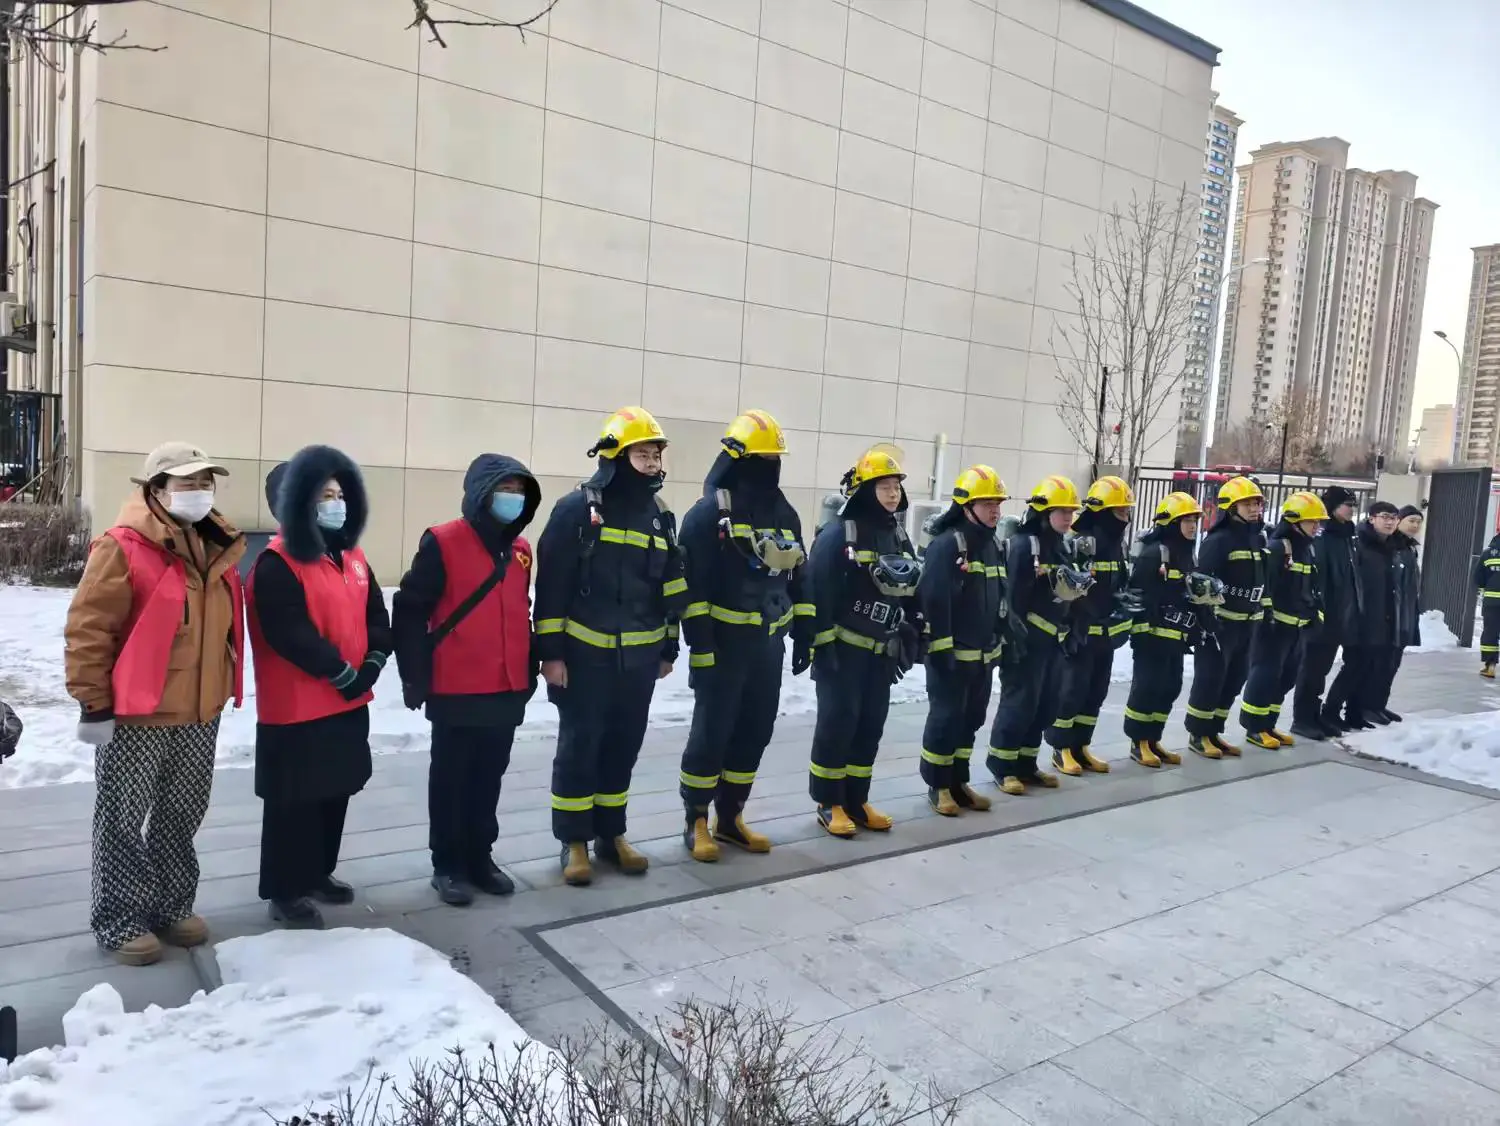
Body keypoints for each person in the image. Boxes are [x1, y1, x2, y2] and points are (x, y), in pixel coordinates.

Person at [62, 442, 245, 965]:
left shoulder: (217, 545)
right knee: (123, 818)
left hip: (199, 710)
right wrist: (93, 704)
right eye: (186, 483)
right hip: (137, 715)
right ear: (156, 490)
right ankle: (120, 919)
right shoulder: (123, 547)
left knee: (181, 813)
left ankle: (171, 906)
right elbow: (89, 628)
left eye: (205, 482)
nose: (198, 493)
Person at [536, 407, 686, 886]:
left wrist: (669, 647)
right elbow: (552, 588)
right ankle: (573, 840)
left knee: (623, 746)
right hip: (585, 659)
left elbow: (671, 588)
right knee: (581, 746)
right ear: (614, 456)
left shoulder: (662, 516)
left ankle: (611, 834)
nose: (652, 463)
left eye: (656, 454)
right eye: (642, 453)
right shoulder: (576, 510)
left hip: (638, 662)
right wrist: (551, 654)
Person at [248, 445, 392, 928]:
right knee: (294, 801)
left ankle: (317, 872)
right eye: (322, 494)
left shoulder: (350, 554)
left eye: (338, 492)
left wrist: (373, 660)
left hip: (349, 700)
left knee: (336, 790)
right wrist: (340, 672)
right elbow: (289, 633)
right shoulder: (276, 563)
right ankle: (285, 890)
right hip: (298, 708)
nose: (336, 502)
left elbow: (375, 610)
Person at [392, 454, 541, 906]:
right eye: (505, 489)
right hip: (456, 684)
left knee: (489, 776)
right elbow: (411, 608)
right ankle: (448, 864)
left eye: (520, 491)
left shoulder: (520, 550)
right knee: (452, 777)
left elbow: (520, 610)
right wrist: (414, 676)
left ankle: (481, 857)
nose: (512, 499)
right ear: (481, 492)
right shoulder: (442, 541)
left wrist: (529, 668)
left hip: (505, 684)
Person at [676, 412, 810, 861]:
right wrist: (701, 647)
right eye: (760, 458)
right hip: (723, 649)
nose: (769, 466)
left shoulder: (784, 511)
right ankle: (696, 819)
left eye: (774, 458)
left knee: (756, 730)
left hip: (767, 648)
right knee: (712, 734)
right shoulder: (707, 515)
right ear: (735, 459)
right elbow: (690, 591)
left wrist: (804, 631)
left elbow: (800, 575)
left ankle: (730, 817)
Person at [807, 448, 923, 835]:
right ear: (863, 490)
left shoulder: (897, 533)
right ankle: (829, 801)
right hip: (844, 651)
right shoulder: (841, 533)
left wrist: (911, 626)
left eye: (895, 487)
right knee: (838, 724)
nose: (892, 494)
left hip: (882, 652)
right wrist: (821, 648)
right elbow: (816, 591)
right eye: (884, 487)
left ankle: (857, 799)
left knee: (869, 726)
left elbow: (910, 584)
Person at [987, 476, 1091, 794]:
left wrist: (1074, 627)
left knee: (1046, 704)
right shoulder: (1024, 545)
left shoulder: (1062, 546)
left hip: (1054, 642)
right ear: (1044, 511)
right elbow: (1014, 596)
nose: (1067, 517)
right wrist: (1014, 637)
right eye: (1061, 511)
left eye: (1071, 511)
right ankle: (1003, 766)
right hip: (1028, 641)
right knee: (1020, 703)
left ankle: (1027, 764)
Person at [917, 466, 1007, 815]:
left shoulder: (994, 545)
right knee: (946, 719)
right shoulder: (948, 545)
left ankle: (958, 780)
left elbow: (1000, 596)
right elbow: (935, 601)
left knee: (972, 719)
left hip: (983, 655)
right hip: (953, 656)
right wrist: (940, 651)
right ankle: (937, 785)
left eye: (997, 503)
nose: (995, 510)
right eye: (987, 503)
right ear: (966, 506)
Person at [1047, 475, 1134, 776]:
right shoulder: (1081, 542)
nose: (1126, 517)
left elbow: (1117, 583)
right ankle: (1061, 748)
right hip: (1081, 634)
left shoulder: (1116, 544)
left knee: (1095, 692)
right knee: (1072, 691)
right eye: (1120, 511)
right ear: (1103, 511)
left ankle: (1081, 745)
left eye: (1126, 511)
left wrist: (1123, 603)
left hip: (1106, 634)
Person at [1184, 476, 1267, 758]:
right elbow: (1201, 583)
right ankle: (1198, 733)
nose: (1255, 508)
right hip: (1220, 624)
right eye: (1248, 503)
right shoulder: (1218, 540)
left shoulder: (1258, 538)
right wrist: (1206, 620)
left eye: (1257, 503)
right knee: (1211, 678)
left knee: (1234, 679)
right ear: (1232, 507)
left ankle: (1213, 731)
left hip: (1247, 624)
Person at [1122, 492, 1207, 767]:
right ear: (1171, 522)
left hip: (1175, 637)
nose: (1193, 525)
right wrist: (1147, 627)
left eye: (1195, 520)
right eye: (1187, 520)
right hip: (1152, 638)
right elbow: (1139, 593)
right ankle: (1139, 742)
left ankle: (1153, 739)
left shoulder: (1186, 553)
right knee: (1147, 687)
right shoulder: (1153, 553)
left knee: (1170, 687)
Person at [1240, 491, 1326, 748]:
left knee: (1287, 676)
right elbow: (1265, 586)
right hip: (1275, 627)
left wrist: (1315, 613)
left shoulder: (1307, 549)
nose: (1317, 527)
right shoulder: (1279, 548)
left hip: (1297, 627)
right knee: (1266, 674)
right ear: (1294, 521)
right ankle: (1254, 726)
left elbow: (1311, 586)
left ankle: (1269, 722)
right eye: (1313, 522)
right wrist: (1267, 617)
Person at [1325, 502, 1403, 729]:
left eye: (1393, 518)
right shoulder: (1359, 544)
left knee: (1369, 668)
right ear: (1371, 518)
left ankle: (1354, 713)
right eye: (1385, 517)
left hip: (1382, 617)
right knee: (1353, 667)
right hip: (1360, 617)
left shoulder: (1390, 546)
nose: (1390, 522)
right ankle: (1330, 711)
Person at [1292, 485, 1363, 737]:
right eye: (1348, 504)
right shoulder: (1323, 537)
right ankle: (1302, 718)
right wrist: (1316, 611)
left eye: (1354, 505)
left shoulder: (1346, 536)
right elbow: (1317, 578)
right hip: (1322, 615)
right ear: (1332, 508)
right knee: (1311, 668)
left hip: (1339, 615)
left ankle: (1314, 715)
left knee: (1321, 669)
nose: (1352, 510)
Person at [1376, 506, 1423, 721]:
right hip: (1390, 616)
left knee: (1393, 664)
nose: (1415, 525)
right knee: (1381, 663)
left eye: (1418, 522)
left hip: (1404, 615)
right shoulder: (1392, 547)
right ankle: (1368, 705)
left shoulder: (1410, 548)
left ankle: (1379, 704)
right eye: (1411, 520)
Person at [1474, 529, 1500, 678]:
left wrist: (1487, 588)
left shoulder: (1488, 553)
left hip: (1492, 601)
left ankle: (1490, 666)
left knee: (1491, 632)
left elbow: (1478, 577)